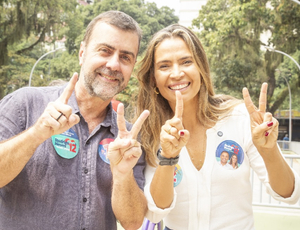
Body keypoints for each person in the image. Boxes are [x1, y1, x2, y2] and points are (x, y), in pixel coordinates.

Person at [135, 24, 300, 230]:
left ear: (201, 68)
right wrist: (167, 157)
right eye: (164, 66)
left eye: (186, 61)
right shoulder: (150, 132)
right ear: (153, 79)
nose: (177, 73)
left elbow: (289, 194)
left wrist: (269, 150)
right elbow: (156, 210)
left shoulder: (239, 117)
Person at [0, 11, 150, 230]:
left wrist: (122, 175)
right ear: (82, 53)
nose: (114, 64)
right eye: (105, 51)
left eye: (125, 57)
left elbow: (133, 222)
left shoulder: (128, 140)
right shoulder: (25, 103)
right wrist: (36, 134)